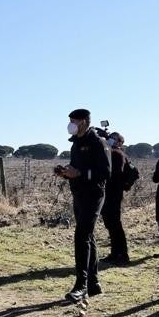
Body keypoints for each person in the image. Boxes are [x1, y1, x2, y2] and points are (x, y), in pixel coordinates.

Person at [54, 108, 110, 302]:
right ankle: (94, 283)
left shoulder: (98, 142)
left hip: (94, 194)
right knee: (88, 236)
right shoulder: (76, 144)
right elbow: (76, 167)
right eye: (70, 120)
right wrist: (65, 172)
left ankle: (81, 285)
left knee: (82, 236)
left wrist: (80, 174)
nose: (71, 124)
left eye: (75, 121)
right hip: (78, 194)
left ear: (85, 121)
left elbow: (105, 172)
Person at [101, 132, 131, 264]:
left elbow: (114, 174)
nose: (111, 140)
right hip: (108, 193)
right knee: (110, 224)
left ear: (120, 143)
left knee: (115, 224)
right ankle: (114, 253)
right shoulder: (110, 152)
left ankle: (123, 254)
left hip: (114, 193)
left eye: (115, 139)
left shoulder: (118, 154)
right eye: (110, 138)